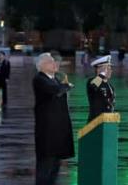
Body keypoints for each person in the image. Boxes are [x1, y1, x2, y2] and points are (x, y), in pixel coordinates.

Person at [33, 52, 74, 185]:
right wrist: (66, 86)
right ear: (43, 65)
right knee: (45, 168)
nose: (55, 64)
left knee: (55, 168)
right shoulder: (39, 79)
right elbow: (54, 90)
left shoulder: (55, 79)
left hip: (57, 133)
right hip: (47, 134)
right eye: (51, 61)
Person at [86, 55, 115, 121]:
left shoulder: (110, 86)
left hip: (108, 121)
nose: (111, 71)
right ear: (99, 69)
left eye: (110, 68)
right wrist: (102, 74)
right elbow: (93, 86)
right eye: (107, 68)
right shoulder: (91, 81)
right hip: (95, 121)